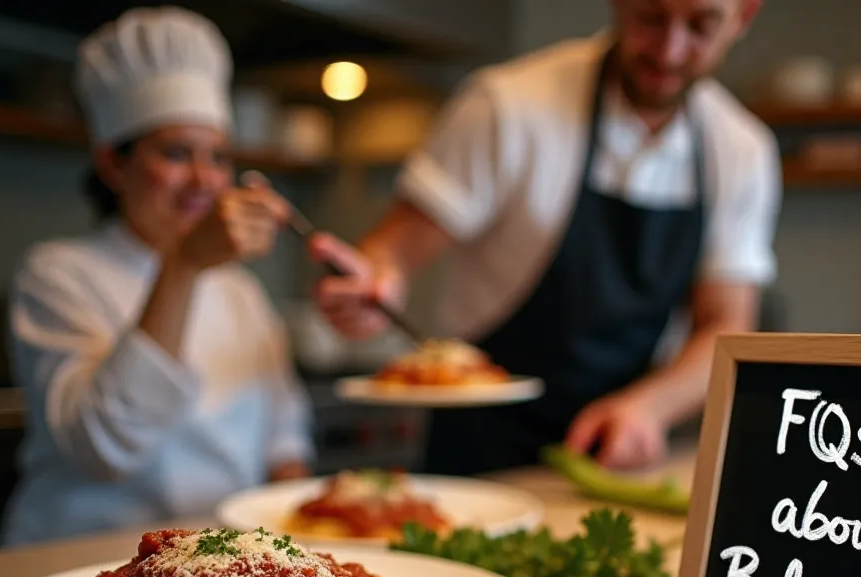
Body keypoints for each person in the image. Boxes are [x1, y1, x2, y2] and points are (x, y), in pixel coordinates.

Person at [311, 0, 779, 476]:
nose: (669, 50)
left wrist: (650, 407)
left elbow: (725, 326)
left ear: (743, 17)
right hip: (481, 452)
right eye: (650, 17)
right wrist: (373, 280)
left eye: (700, 25)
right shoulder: (507, 106)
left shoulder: (741, 150)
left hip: (610, 455)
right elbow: (392, 250)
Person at [0, 7, 313, 545]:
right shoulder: (57, 274)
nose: (205, 180)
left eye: (217, 156)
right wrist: (185, 263)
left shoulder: (240, 291)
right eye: (176, 153)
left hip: (222, 567)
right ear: (113, 165)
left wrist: (301, 541)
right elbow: (107, 447)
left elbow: (285, 442)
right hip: (77, 562)